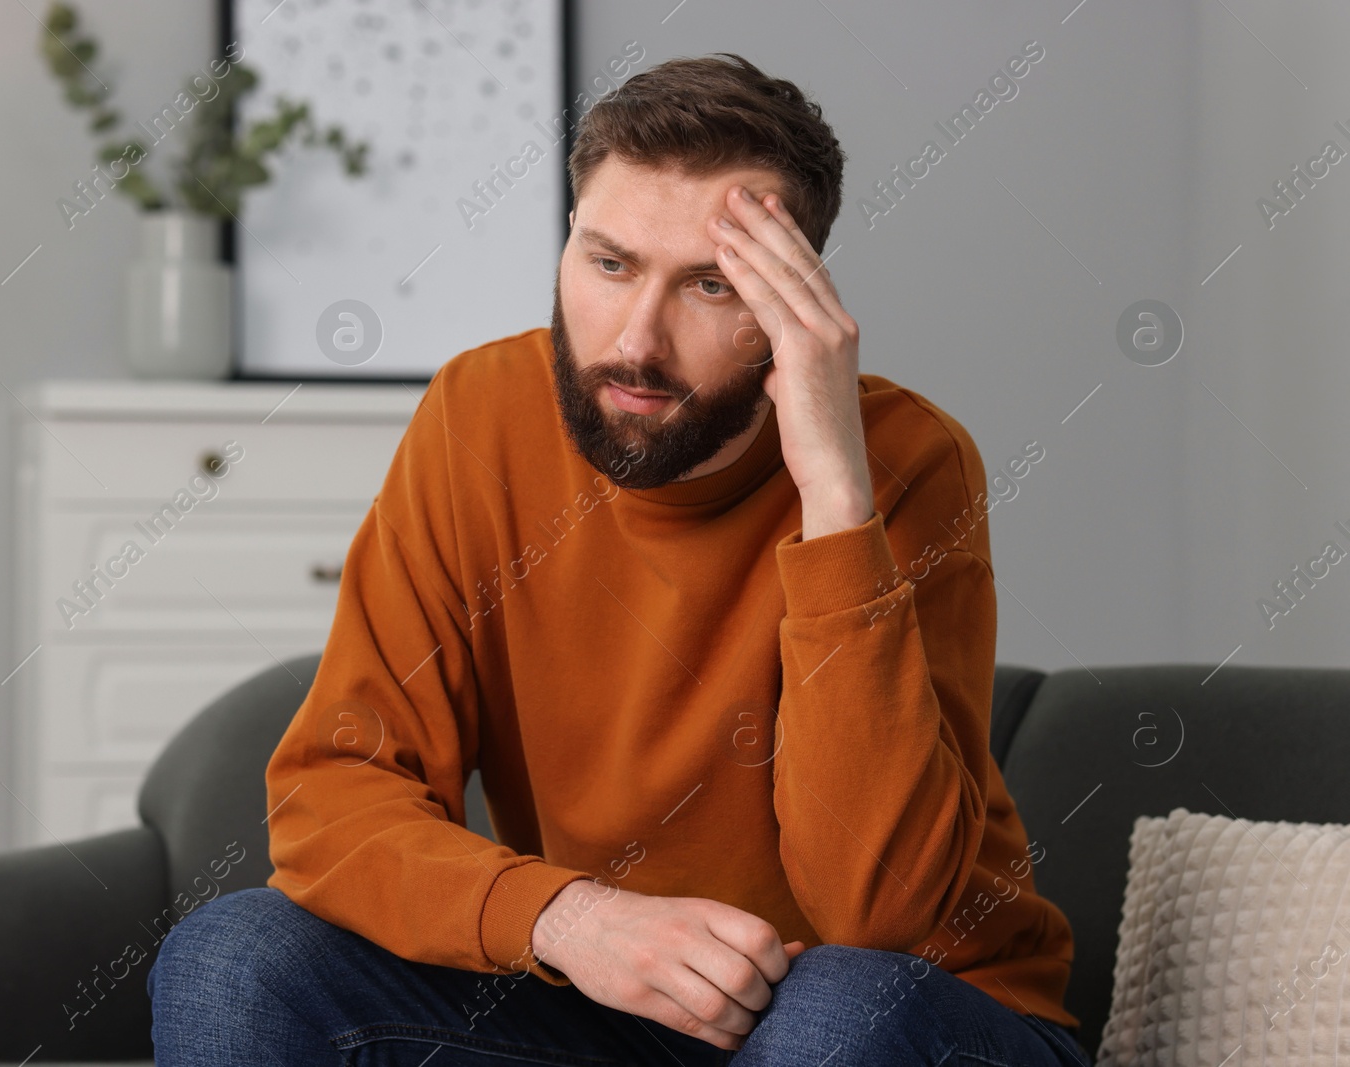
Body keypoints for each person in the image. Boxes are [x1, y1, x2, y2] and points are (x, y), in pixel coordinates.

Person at [148, 51, 1091, 1067]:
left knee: (835, 1006)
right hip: (608, 1001)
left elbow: (883, 913)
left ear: (795, 306)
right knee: (232, 952)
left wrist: (831, 493)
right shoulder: (478, 416)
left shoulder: (902, 464)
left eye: (710, 285)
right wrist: (566, 916)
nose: (636, 340)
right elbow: (333, 794)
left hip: (916, 1014)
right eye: (608, 264)